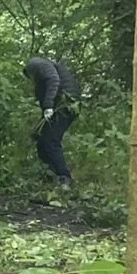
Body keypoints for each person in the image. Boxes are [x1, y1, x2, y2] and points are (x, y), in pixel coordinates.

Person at [23, 56, 79, 189]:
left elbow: (53, 80)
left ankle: (64, 178)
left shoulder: (37, 64)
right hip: (62, 105)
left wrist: (48, 105)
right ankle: (49, 176)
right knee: (42, 141)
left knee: (51, 141)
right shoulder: (42, 68)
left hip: (65, 105)